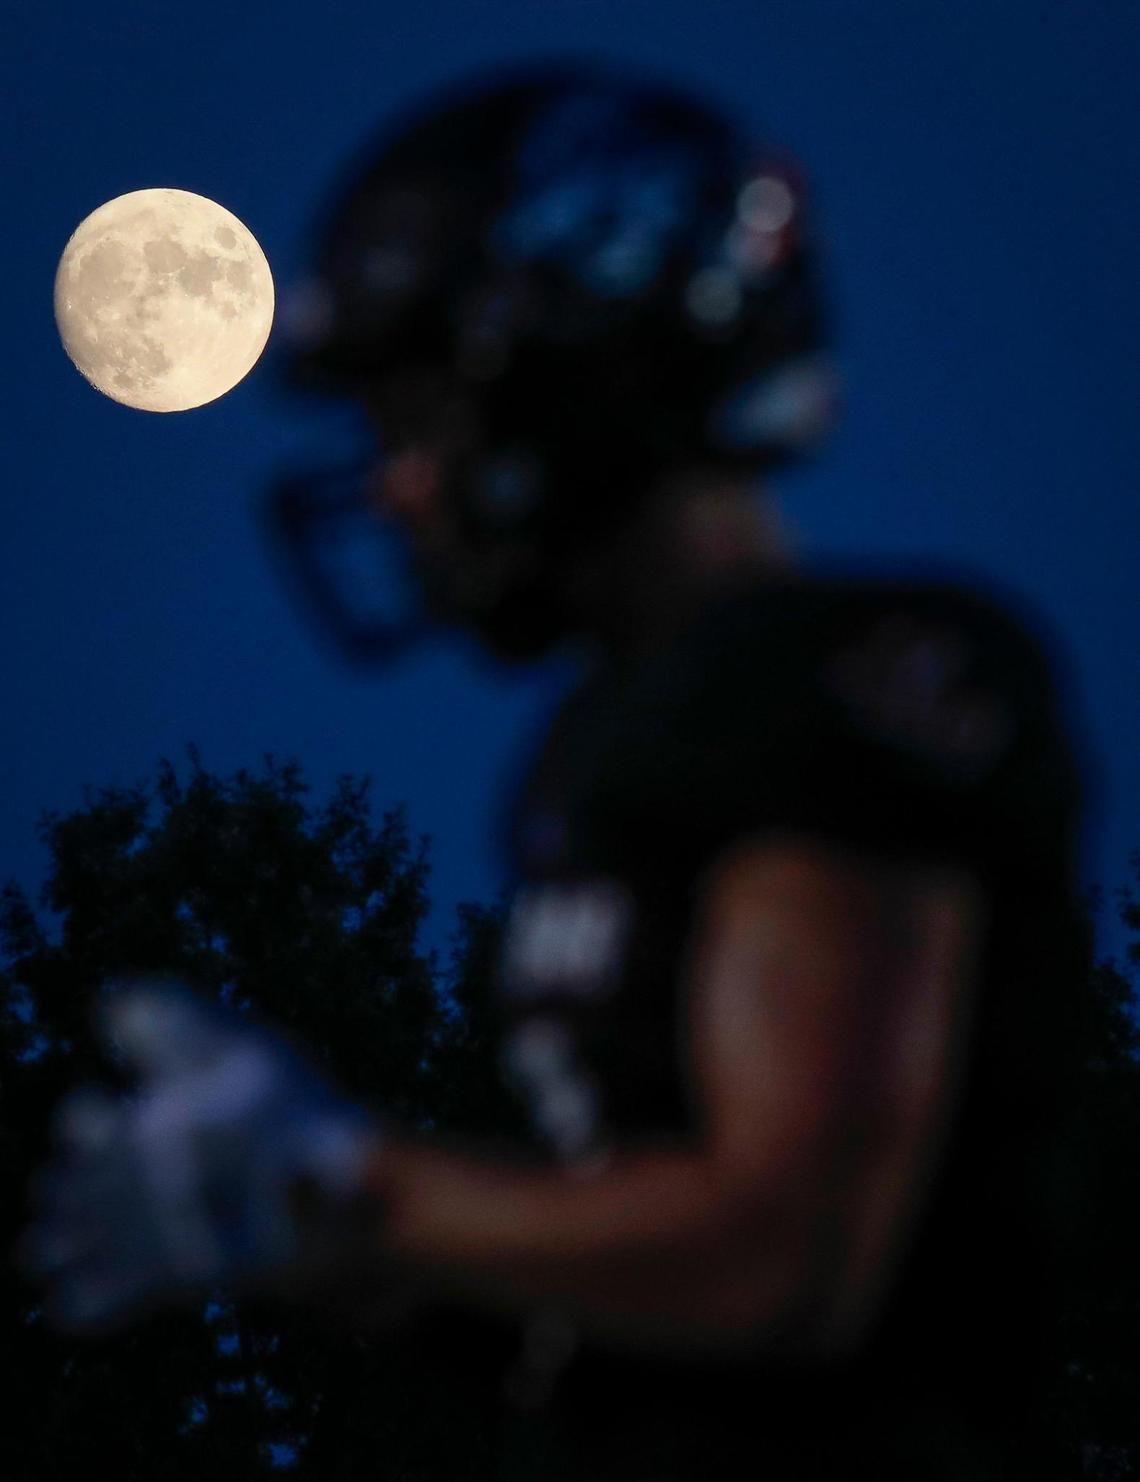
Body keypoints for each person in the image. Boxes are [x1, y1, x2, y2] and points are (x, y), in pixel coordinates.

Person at [24, 60, 1090, 1480]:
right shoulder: (601, 748)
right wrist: (343, 1256)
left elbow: (790, 1254)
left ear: (567, 381)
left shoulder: (847, 680)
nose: (397, 486)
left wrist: (359, 1178)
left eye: (416, 424)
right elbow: (628, 1307)